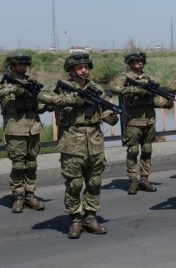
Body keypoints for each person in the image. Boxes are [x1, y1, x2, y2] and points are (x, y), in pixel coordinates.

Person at [41, 52, 118, 238]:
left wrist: (111, 116)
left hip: (94, 140)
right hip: (71, 141)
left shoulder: (96, 88)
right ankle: (75, 220)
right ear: (71, 70)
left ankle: (90, 217)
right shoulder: (62, 87)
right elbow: (42, 96)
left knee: (95, 181)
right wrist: (73, 100)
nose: (84, 70)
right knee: (74, 184)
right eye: (79, 67)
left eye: (86, 67)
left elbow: (103, 109)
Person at [0, 51, 48, 213]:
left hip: (33, 128)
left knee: (31, 163)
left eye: (25, 64)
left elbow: (40, 105)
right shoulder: (4, 82)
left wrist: (41, 103)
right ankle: (18, 196)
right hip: (15, 129)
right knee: (18, 165)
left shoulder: (32, 82)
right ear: (12, 65)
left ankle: (30, 194)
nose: (23, 67)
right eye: (19, 64)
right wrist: (13, 90)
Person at [109, 50, 174, 195]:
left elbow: (154, 98)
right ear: (130, 63)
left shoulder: (148, 77)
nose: (139, 63)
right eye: (136, 61)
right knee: (133, 151)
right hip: (133, 120)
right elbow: (114, 88)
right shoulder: (125, 77)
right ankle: (133, 180)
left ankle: (144, 179)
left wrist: (166, 103)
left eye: (141, 61)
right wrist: (135, 90)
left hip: (149, 119)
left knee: (147, 150)